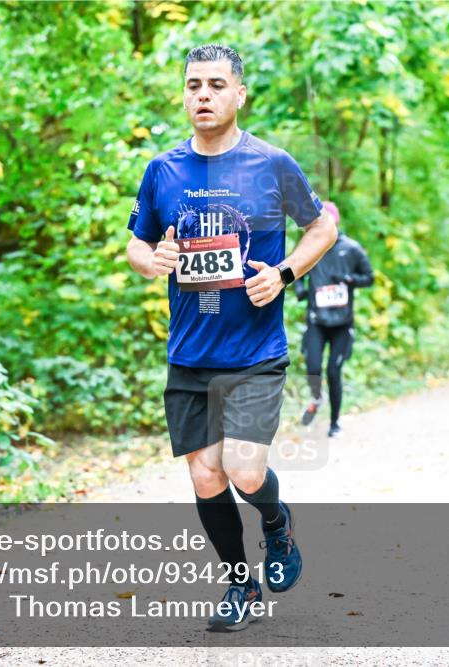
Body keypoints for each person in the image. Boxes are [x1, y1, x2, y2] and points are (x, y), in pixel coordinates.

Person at [125, 44, 337, 632]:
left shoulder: (271, 164)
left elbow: (324, 224)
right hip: (190, 353)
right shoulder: (163, 170)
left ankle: (276, 521)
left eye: (217, 85)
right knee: (205, 475)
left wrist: (285, 272)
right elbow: (136, 243)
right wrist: (153, 260)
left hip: (254, 353)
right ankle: (240, 586)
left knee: (244, 469)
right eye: (194, 85)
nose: (203, 95)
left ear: (239, 94)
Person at [294, 201, 374, 437]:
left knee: (333, 372)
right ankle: (317, 398)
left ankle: (335, 423)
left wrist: (350, 279)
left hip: (342, 323)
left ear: (334, 221)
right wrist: (300, 288)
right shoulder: (309, 248)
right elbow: (293, 268)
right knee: (313, 369)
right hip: (317, 320)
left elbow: (369, 277)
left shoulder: (352, 248)